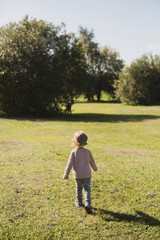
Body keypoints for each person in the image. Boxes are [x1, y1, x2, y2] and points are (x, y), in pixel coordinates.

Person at [63, 131, 98, 214]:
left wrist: (66, 174)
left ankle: (79, 202)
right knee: (87, 189)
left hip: (78, 175)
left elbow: (69, 164)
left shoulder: (74, 152)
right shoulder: (88, 152)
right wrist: (95, 168)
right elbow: (92, 162)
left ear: (75, 141)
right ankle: (88, 203)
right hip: (87, 174)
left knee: (78, 188)